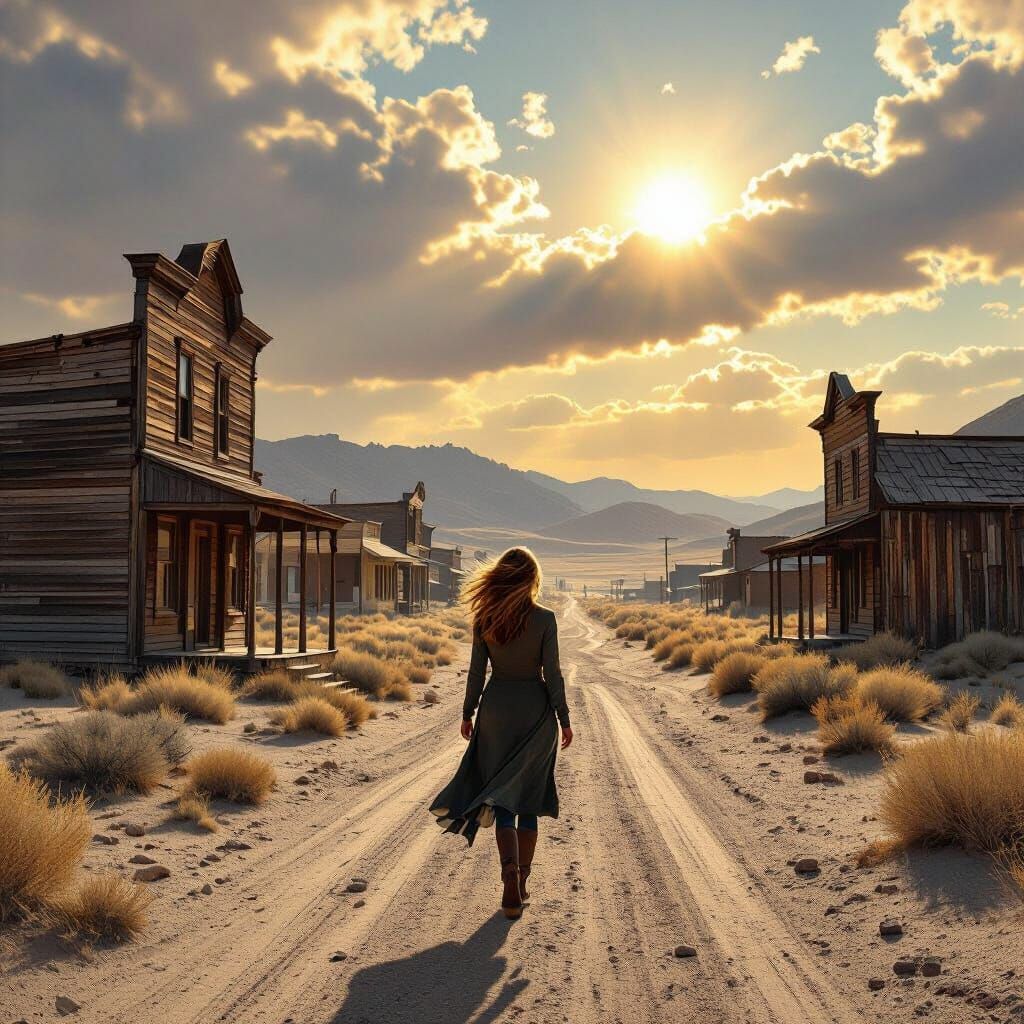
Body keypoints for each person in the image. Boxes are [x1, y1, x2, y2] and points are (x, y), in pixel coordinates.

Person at [429, 547, 573, 920]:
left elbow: (476, 672)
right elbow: (552, 675)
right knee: (528, 798)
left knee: (502, 798)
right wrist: (564, 717)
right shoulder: (545, 619)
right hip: (535, 712)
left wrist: (467, 712)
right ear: (531, 579)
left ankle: (508, 876)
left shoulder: (485, 618)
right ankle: (521, 883)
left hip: (495, 712)